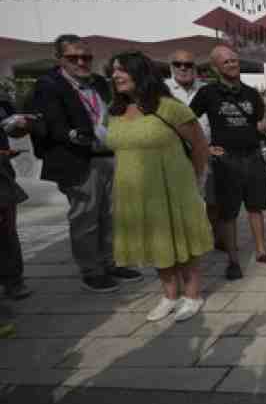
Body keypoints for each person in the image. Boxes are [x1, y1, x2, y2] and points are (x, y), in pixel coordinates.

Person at [30, 34, 142, 293]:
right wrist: (75, 134)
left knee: (113, 215)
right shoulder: (48, 85)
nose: (81, 62)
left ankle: (111, 262)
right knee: (86, 219)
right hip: (78, 160)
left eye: (86, 57)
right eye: (73, 57)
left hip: (110, 156)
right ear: (58, 59)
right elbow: (49, 124)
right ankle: (91, 270)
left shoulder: (100, 83)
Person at [106, 51, 213, 322]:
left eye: (122, 70)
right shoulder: (116, 111)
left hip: (173, 188)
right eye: (113, 71)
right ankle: (169, 295)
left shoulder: (169, 107)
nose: (115, 75)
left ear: (141, 73)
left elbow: (200, 146)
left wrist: (196, 181)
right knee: (156, 244)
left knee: (183, 242)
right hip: (134, 192)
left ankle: (192, 295)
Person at [190, 45, 266, 280]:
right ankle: (233, 259)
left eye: (234, 60)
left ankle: (261, 251)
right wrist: (204, 147)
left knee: (256, 206)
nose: (232, 64)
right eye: (226, 62)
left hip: (252, 156)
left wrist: (264, 124)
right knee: (228, 212)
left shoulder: (251, 93)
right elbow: (188, 122)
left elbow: (263, 121)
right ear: (215, 67)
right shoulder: (207, 93)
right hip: (226, 160)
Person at [164, 49, 223, 250]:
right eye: (178, 64)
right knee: (181, 201)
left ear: (195, 68)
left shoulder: (208, 90)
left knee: (213, 199)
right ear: (171, 67)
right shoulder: (162, 91)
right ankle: (185, 239)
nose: (183, 68)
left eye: (188, 64)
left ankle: (217, 237)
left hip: (208, 152)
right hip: (176, 155)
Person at [0, 86, 35, 300]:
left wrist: (22, 125)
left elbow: (14, 128)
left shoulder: (2, 98)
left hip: (1, 176)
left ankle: (13, 280)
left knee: (6, 232)